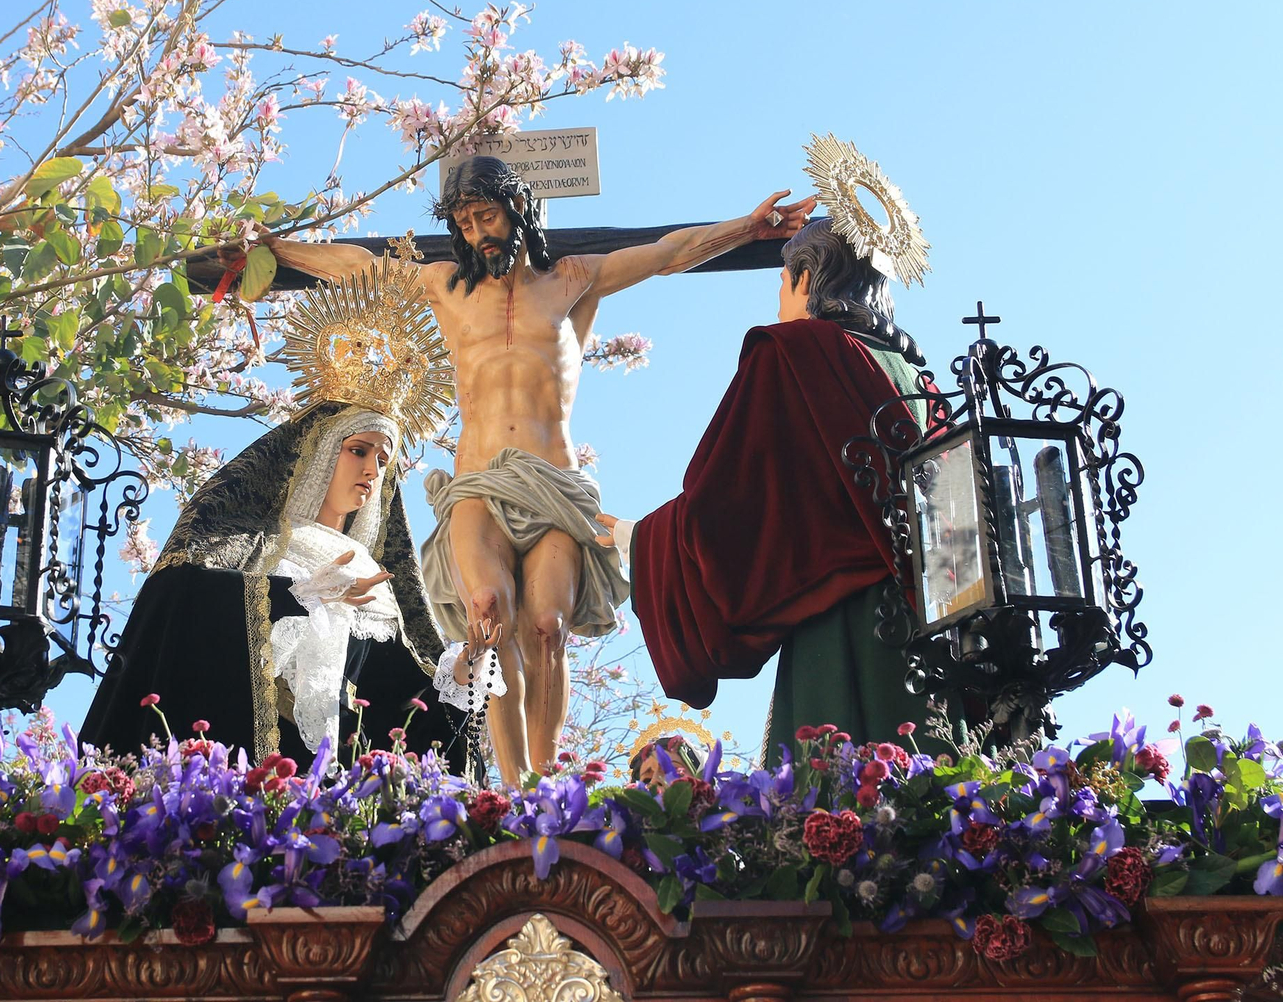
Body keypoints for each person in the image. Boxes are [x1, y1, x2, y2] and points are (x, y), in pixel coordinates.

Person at [259, 156, 814, 786]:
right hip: (479, 483)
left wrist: (748, 227)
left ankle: (546, 782)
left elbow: (666, 253)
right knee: (488, 616)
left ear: (517, 208)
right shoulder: (448, 286)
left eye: (486, 216)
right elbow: (359, 267)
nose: (477, 233)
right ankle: (513, 783)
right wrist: (277, 251)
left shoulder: (572, 277)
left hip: (554, 484)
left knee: (547, 629)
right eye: (465, 223)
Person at [81, 257, 477, 776]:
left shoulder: (379, 591)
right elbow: (176, 602)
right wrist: (297, 595)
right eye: (358, 450)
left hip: (334, 810)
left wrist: (461, 679)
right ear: (317, 455)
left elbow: (403, 720)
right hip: (239, 786)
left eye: (384, 460)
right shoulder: (253, 544)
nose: (372, 470)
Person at [598, 217, 959, 763]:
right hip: (938, 636)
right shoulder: (920, 382)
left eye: (783, 282)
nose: (779, 300)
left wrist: (639, 540)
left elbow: (732, 502)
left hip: (845, 631)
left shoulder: (793, 352)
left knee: (842, 809)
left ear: (807, 278)